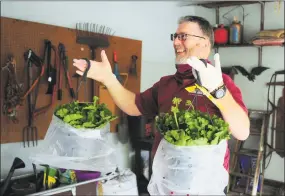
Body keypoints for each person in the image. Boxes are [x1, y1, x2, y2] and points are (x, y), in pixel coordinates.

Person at [73, 15, 250, 173]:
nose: (175, 42)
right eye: (175, 37)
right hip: (165, 180)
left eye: (183, 37)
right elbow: (134, 105)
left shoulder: (222, 83)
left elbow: (242, 132)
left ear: (204, 42)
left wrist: (219, 91)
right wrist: (108, 79)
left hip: (204, 185)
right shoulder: (167, 84)